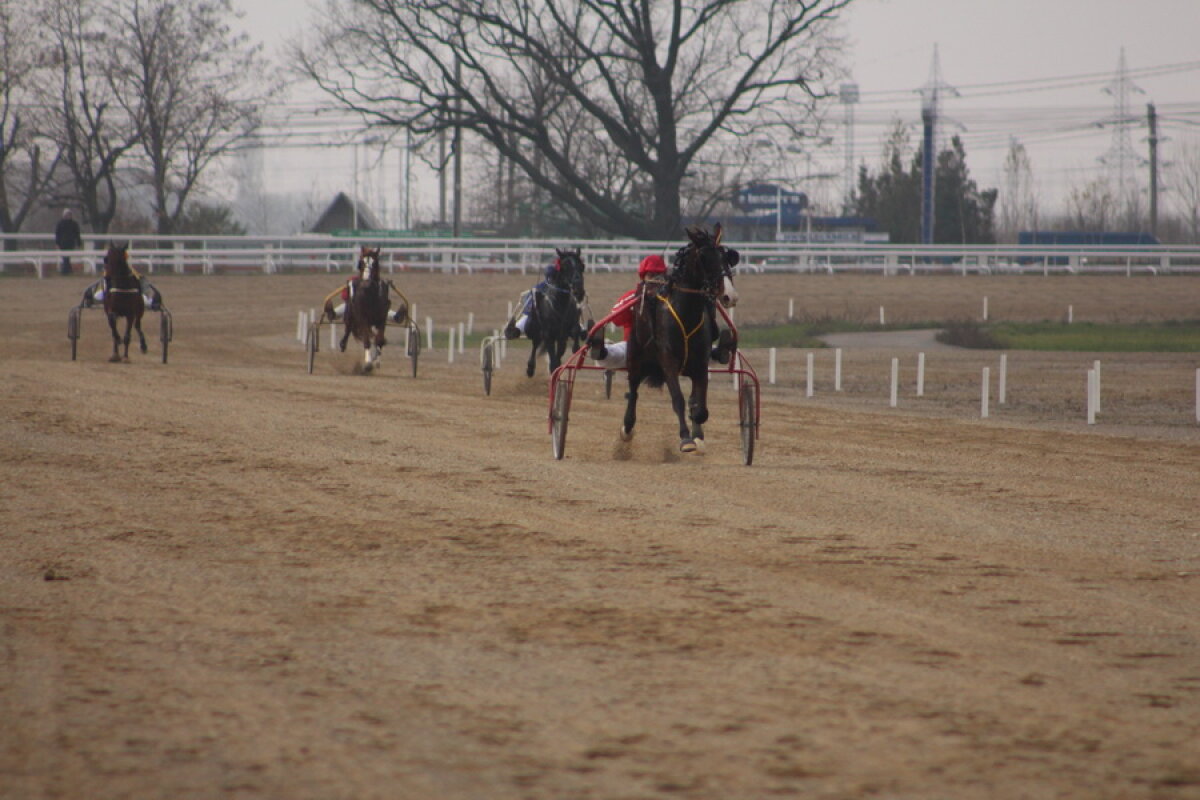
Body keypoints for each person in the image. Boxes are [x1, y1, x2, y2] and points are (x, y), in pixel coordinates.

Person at [587, 253, 735, 369]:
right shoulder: (634, 296)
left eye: (659, 275)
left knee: (695, 351)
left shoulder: (673, 298)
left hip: (671, 350)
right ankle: (601, 351)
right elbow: (616, 318)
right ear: (643, 277)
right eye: (651, 276)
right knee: (617, 353)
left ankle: (717, 353)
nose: (655, 280)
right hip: (637, 349)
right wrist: (636, 301)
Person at [504, 262, 560, 339]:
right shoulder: (539, 287)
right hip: (536, 316)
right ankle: (513, 330)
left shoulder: (561, 288)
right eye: (551, 277)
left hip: (555, 317)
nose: (553, 279)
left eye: (554, 277)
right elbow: (529, 304)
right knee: (523, 322)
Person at [55, 209, 83, 276]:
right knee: (65, 257)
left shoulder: (74, 224)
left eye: (69, 214)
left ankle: (66, 270)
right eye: (67, 214)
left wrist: (79, 243)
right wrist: (57, 243)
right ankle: (67, 270)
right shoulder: (60, 223)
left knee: (66, 257)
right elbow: (57, 234)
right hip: (62, 243)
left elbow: (77, 234)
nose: (68, 216)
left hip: (70, 243)